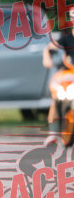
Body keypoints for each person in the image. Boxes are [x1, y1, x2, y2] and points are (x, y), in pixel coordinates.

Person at [43, 7, 74, 136]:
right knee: (56, 98)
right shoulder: (67, 37)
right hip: (70, 74)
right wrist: (47, 58)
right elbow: (49, 47)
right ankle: (53, 134)